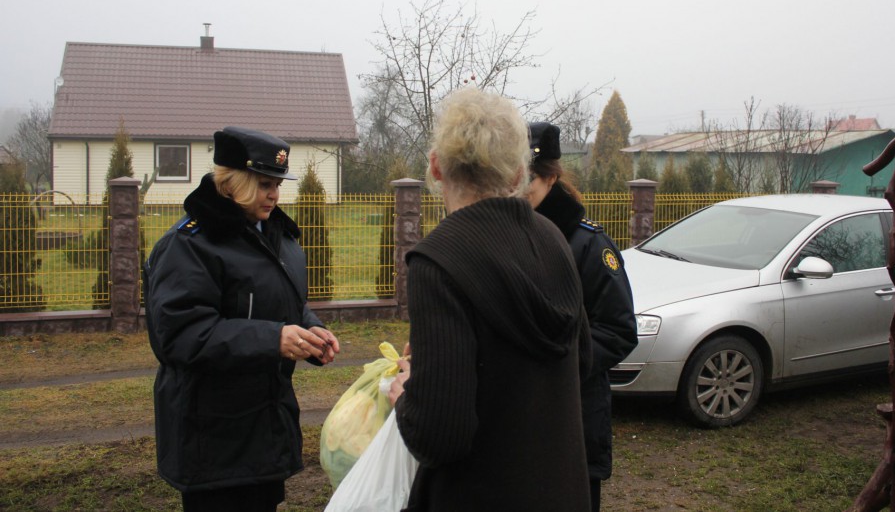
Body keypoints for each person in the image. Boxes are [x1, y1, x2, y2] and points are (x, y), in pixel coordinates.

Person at [387, 88, 593, 512]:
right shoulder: (553, 238)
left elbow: (440, 436)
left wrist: (408, 391)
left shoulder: (438, 261)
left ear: (436, 166)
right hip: (562, 490)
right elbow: (582, 362)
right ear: (519, 172)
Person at [144, 126, 340, 512]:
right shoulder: (190, 246)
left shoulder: (277, 236)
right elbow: (181, 334)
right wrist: (274, 340)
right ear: (233, 182)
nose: (274, 194)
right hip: (212, 439)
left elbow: (283, 304)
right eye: (264, 183)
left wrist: (309, 328)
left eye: (278, 183)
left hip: (264, 429)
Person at [527, 121, 638, 512]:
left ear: (551, 177)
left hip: (574, 415)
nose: (520, 192)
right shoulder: (513, 237)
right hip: (521, 421)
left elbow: (620, 330)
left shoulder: (589, 245)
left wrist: (560, 365)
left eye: (530, 182)